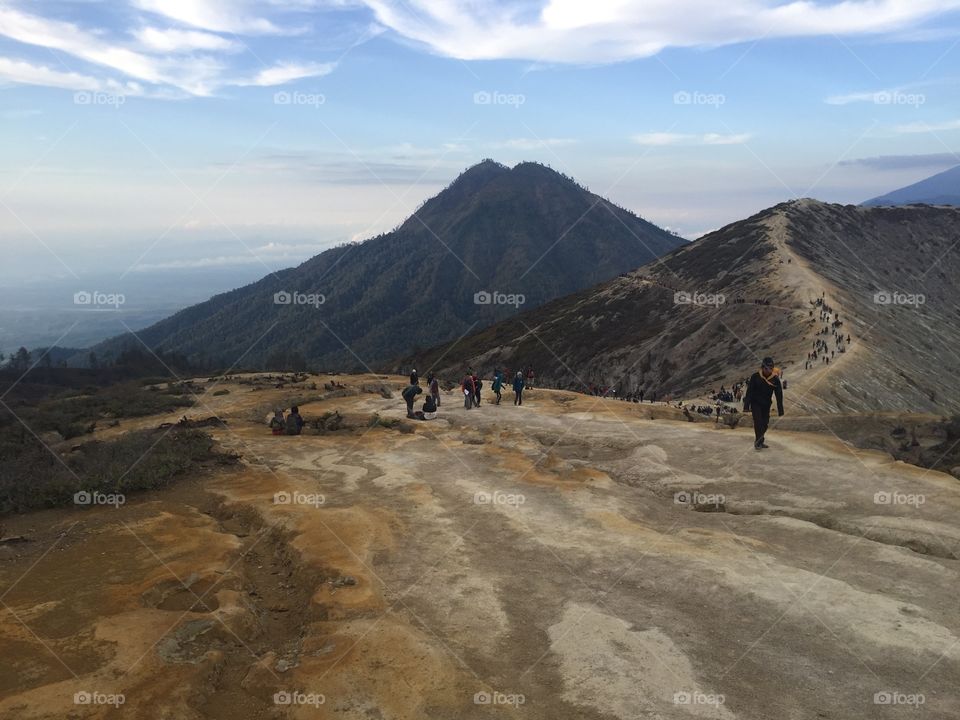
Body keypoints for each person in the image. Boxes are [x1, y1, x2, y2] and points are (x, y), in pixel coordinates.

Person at [743, 356, 784, 449]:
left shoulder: (775, 379)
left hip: (766, 404)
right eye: (766, 368)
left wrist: (780, 410)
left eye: (771, 368)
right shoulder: (755, 377)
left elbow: (779, 395)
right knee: (758, 422)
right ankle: (758, 442)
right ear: (762, 367)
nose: (768, 370)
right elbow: (749, 391)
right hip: (755, 403)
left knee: (765, 423)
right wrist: (746, 406)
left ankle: (760, 441)